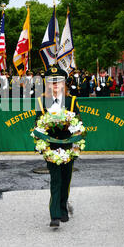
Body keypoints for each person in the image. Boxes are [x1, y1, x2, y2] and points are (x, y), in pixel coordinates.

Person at [34, 64, 81, 228]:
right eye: (52, 82)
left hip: (68, 145)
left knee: (66, 178)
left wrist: (76, 133)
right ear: (47, 84)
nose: (55, 85)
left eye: (58, 81)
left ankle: (63, 208)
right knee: (56, 179)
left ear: (64, 83)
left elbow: (79, 124)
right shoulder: (41, 101)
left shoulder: (72, 101)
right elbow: (37, 125)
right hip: (50, 146)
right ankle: (54, 215)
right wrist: (40, 142)